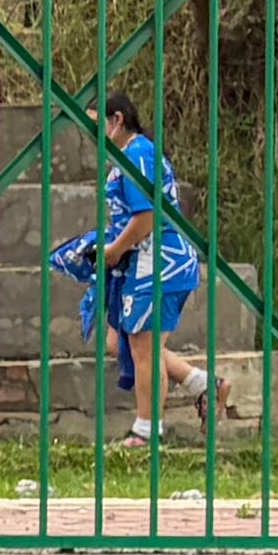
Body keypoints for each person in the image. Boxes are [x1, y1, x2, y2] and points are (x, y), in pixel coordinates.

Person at [75, 93, 210, 440]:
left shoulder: (137, 154)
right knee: (120, 338)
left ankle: (147, 430)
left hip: (159, 263)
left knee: (142, 348)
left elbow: (147, 216)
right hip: (146, 263)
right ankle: (200, 384)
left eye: (96, 124)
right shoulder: (130, 155)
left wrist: (114, 250)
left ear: (116, 119)